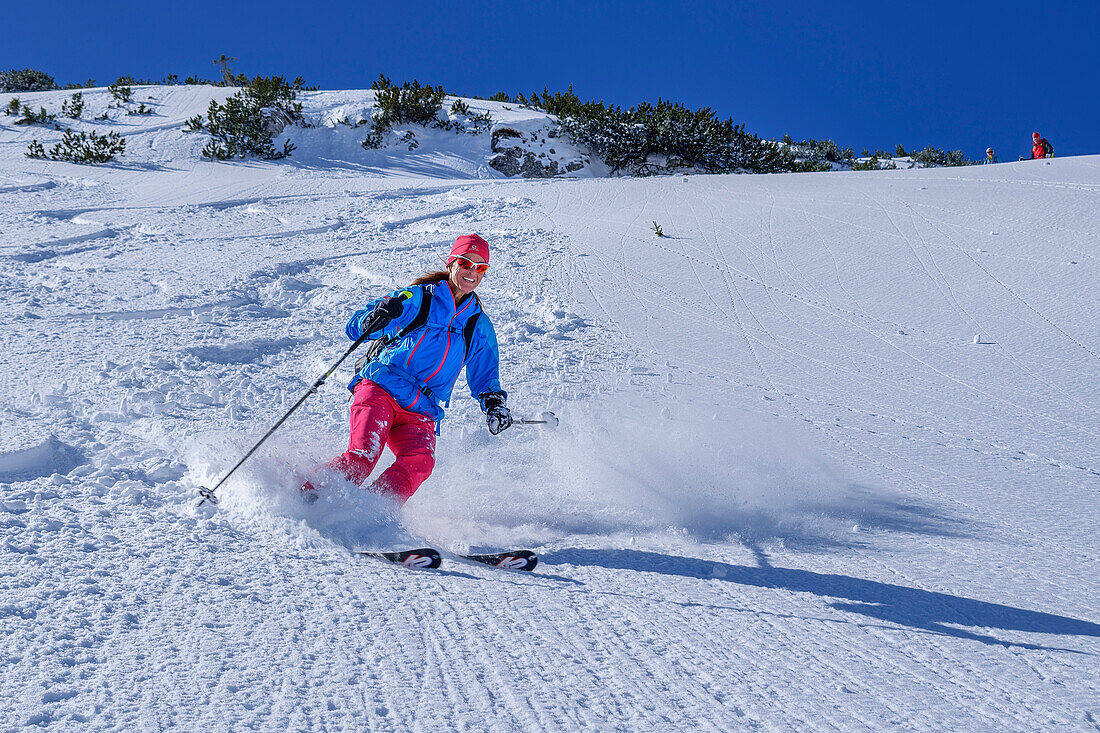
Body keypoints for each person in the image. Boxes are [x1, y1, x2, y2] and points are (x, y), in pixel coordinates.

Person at [304, 234, 512, 504]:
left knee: (420, 462)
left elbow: (485, 374)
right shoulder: (418, 298)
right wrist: (378, 314)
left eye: (480, 267)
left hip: (421, 408)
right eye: (465, 263)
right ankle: (307, 496)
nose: (472, 272)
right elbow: (355, 328)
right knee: (362, 457)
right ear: (451, 263)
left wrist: (494, 403)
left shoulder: (477, 324)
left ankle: (371, 513)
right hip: (382, 387)